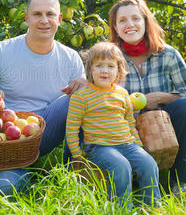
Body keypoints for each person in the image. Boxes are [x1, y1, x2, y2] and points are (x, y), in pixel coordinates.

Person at [0, 0, 87, 195]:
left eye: (50, 14)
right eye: (37, 14)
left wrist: (84, 86)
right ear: (26, 18)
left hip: (46, 129)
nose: (44, 20)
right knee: (6, 189)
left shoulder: (70, 58)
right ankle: (20, 170)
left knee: (81, 98)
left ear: (59, 19)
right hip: (9, 139)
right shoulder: (1, 52)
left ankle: (73, 174)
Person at [108, 0, 186, 196]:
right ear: (115, 28)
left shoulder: (167, 54)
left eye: (135, 18)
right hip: (124, 129)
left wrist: (162, 97)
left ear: (145, 22)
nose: (129, 24)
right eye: (122, 21)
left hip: (163, 132)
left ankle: (180, 180)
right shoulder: (110, 58)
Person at [66, 41, 160, 209]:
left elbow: (130, 124)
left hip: (128, 144)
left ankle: (152, 206)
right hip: (100, 147)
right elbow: (72, 129)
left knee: (149, 164)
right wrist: (77, 154)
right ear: (90, 69)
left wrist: (138, 146)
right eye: (99, 66)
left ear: (119, 70)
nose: (104, 70)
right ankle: (123, 208)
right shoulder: (81, 97)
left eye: (110, 66)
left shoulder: (122, 94)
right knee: (121, 166)